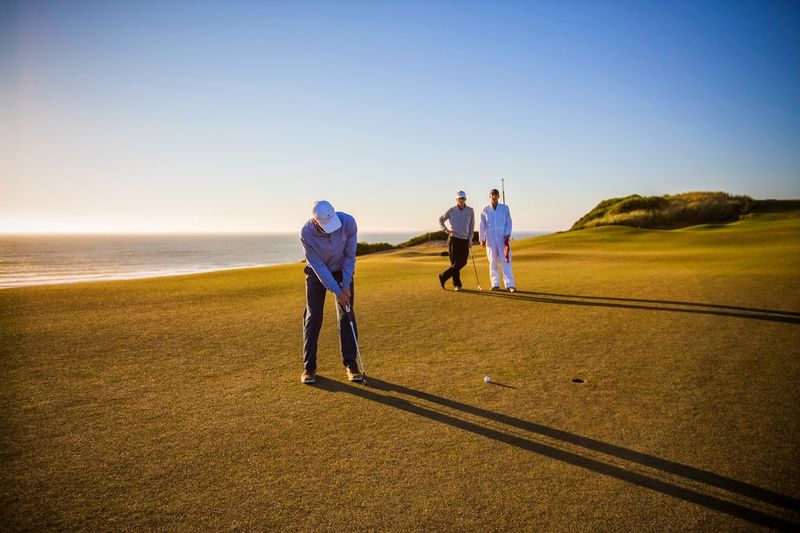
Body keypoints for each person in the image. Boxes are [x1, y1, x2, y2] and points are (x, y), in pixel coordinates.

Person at [299, 200, 363, 384]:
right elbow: (318, 266)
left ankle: (351, 364)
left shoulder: (348, 222)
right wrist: (336, 290)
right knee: (313, 316)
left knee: (347, 314)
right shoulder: (306, 233)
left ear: (334, 213)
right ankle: (309, 368)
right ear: (315, 221)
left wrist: (345, 285)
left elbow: (350, 256)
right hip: (316, 273)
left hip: (342, 270)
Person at [479, 188, 516, 292]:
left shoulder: (505, 208)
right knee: (492, 262)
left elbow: (509, 222)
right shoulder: (485, 209)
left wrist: (507, 233)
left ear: (498, 196)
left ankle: (510, 285)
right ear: (489, 197)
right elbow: (482, 225)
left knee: (506, 260)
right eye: (492, 195)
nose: (494, 197)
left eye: (495, 195)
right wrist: (482, 239)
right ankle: (495, 284)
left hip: (502, 238)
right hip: (490, 239)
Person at [438, 190, 475, 291]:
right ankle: (457, 285)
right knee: (454, 263)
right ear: (456, 200)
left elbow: (472, 226)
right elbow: (440, 219)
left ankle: (443, 276)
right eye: (459, 199)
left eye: (463, 198)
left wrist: (470, 239)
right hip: (453, 239)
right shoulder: (451, 210)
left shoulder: (470, 210)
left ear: (465, 199)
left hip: (465, 240)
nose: (461, 200)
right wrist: (446, 230)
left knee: (462, 262)